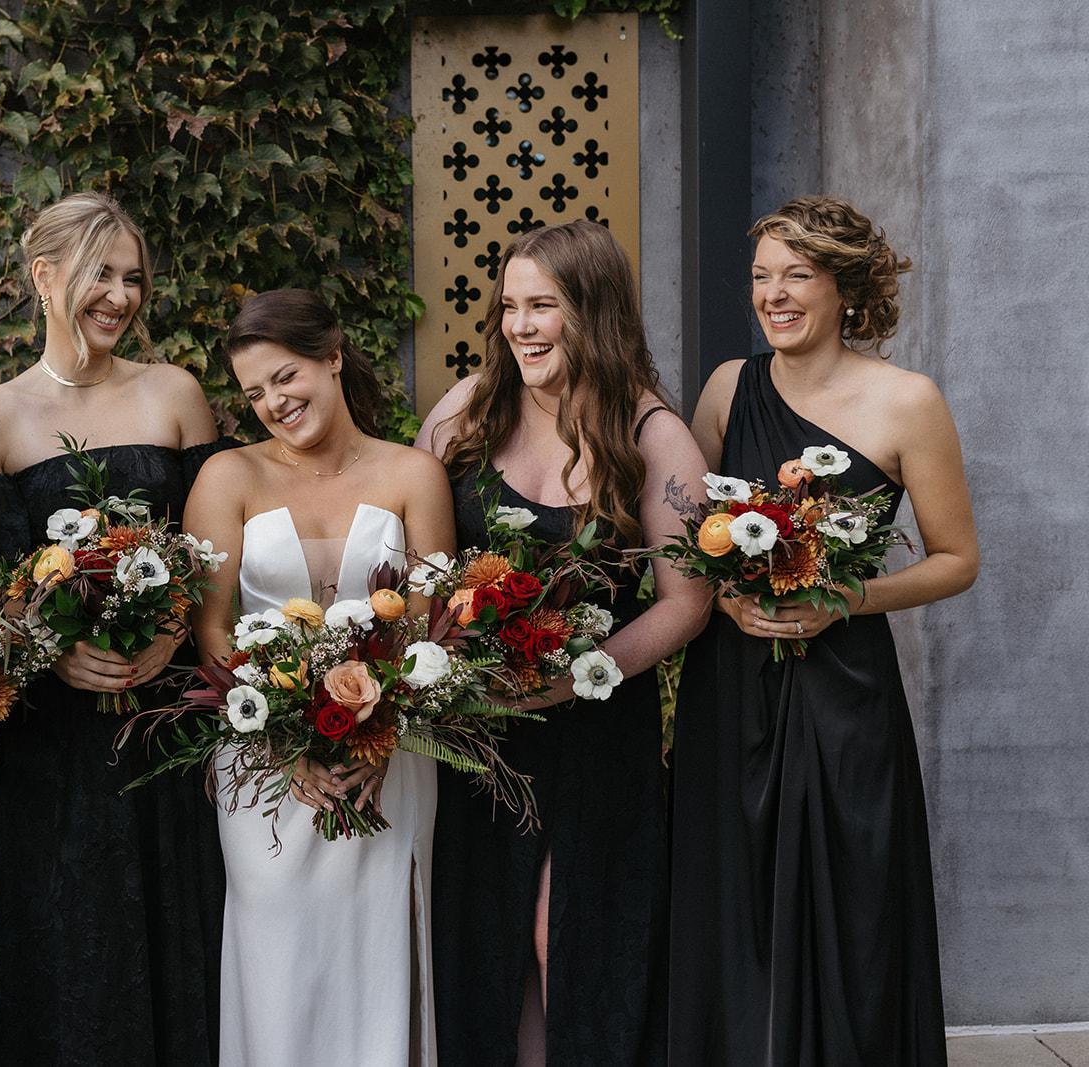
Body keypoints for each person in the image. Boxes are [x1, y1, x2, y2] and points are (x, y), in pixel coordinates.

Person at [670, 195, 978, 1066]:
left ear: (844, 286)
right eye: (762, 276)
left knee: (854, 902)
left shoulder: (908, 401)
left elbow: (958, 558)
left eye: (797, 275)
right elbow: (691, 537)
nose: (773, 295)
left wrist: (850, 599)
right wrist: (723, 597)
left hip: (846, 695)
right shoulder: (727, 388)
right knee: (734, 897)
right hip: (730, 690)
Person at [416, 220, 710, 1065]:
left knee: (568, 941)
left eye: (543, 305)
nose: (520, 326)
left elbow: (688, 601)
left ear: (595, 309)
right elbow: (413, 555)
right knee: (487, 947)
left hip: (597, 735)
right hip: (480, 734)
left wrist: (582, 674)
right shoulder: (467, 411)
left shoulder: (652, 433)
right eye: (510, 306)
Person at [0, 191, 227, 1064]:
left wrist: (174, 628)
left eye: (133, 277)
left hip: (170, 717)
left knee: (186, 922)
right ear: (45, 276)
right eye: (100, 274)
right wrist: (52, 650)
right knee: (70, 937)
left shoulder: (176, 393)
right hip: (56, 739)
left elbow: (217, 547)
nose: (120, 296)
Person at [185, 288, 456, 1066]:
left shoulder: (414, 473)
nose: (273, 403)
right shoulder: (227, 476)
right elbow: (210, 628)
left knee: (379, 960)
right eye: (254, 393)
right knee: (279, 968)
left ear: (333, 355)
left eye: (285, 377)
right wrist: (280, 740)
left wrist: (382, 736)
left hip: (391, 760)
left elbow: (430, 627)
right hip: (265, 767)